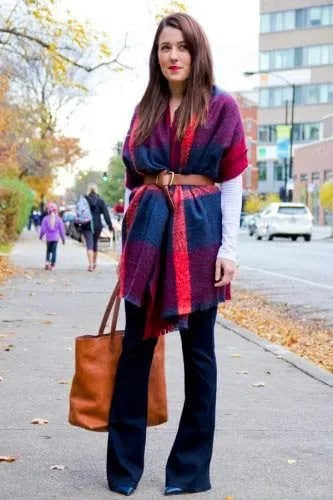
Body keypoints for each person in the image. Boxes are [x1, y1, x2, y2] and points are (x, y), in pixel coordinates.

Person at [106, 13, 248, 497]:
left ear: (196, 51)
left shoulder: (220, 106)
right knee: (134, 353)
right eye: (166, 47)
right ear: (157, 55)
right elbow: (132, 182)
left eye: (182, 47)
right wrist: (128, 234)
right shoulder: (144, 109)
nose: (173, 56)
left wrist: (229, 249)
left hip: (201, 237)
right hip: (147, 236)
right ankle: (123, 470)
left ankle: (188, 472)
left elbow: (231, 184)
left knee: (199, 357)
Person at [82, 183, 113, 271]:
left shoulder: (84, 200)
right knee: (95, 244)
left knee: (89, 244)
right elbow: (106, 215)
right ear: (96, 190)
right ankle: (94, 263)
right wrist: (110, 226)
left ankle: (90, 265)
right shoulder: (100, 201)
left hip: (87, 225)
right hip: (97, 225)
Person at [39, 202, 65, 270]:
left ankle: (47, 263)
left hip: (48, 238)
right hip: (55, 238)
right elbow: (62, 230)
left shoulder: (45, 219)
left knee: (48, 250)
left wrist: (41, 236)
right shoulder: (59, 219)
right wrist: (63, 239)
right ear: (56, 210)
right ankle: (52, 265)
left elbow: (43, 229)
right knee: (54, 251)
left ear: (48, 210)